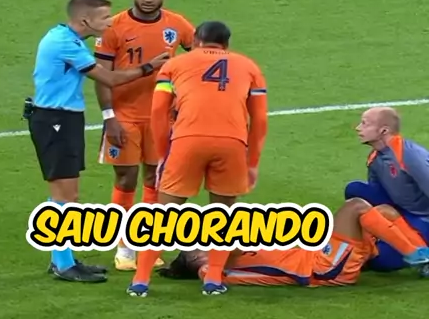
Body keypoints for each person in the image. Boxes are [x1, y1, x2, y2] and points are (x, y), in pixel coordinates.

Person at [28, 0, 169, 283]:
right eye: (104, 17)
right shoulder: (65, 44)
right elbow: (110, 79)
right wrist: (150, 66)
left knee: (65, 195)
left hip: (62, 119)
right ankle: (63, 265)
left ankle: (63, 260)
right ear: (85, 20)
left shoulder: (68, 38)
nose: (109, 22)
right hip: (56, 121)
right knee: (66, 196)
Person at [128, 20, 268, 298]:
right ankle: (213, 280)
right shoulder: (249, 67)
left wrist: (164, 152)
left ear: (195, 41)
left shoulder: (174, 65)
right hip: (231, 144)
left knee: (164, 215)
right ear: (226, 44)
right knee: (222, 215)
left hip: (187, 141)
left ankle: (140, 281)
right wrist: (252, 162)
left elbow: (158, 113)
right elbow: (260, 120)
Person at [94, 0, 194, 272]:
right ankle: (124, 247)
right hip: (124, 116)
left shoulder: (177, 24)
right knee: (126, 179)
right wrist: (109, 117)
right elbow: (102, 76)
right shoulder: (114, 27)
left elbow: (201, 56)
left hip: (162, 118)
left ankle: (147, 245)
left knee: (156, 179)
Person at [158, 198, 429, 288]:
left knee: (383, 212)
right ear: (198, 261)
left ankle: (423, 259)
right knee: (356, 206)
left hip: (321, 255)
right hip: (322, 269)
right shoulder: (210, 270)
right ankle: (416, 255)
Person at [345, 107, 429, 272]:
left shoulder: (410, 156)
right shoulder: (375, 158)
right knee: (355, 190)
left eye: (365, 124)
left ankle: (421, 251)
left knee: (381, 261)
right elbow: (376, 201)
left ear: (383, 130)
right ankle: (386, 237)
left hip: (423, 218)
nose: (358, 128)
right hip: (399, 210)